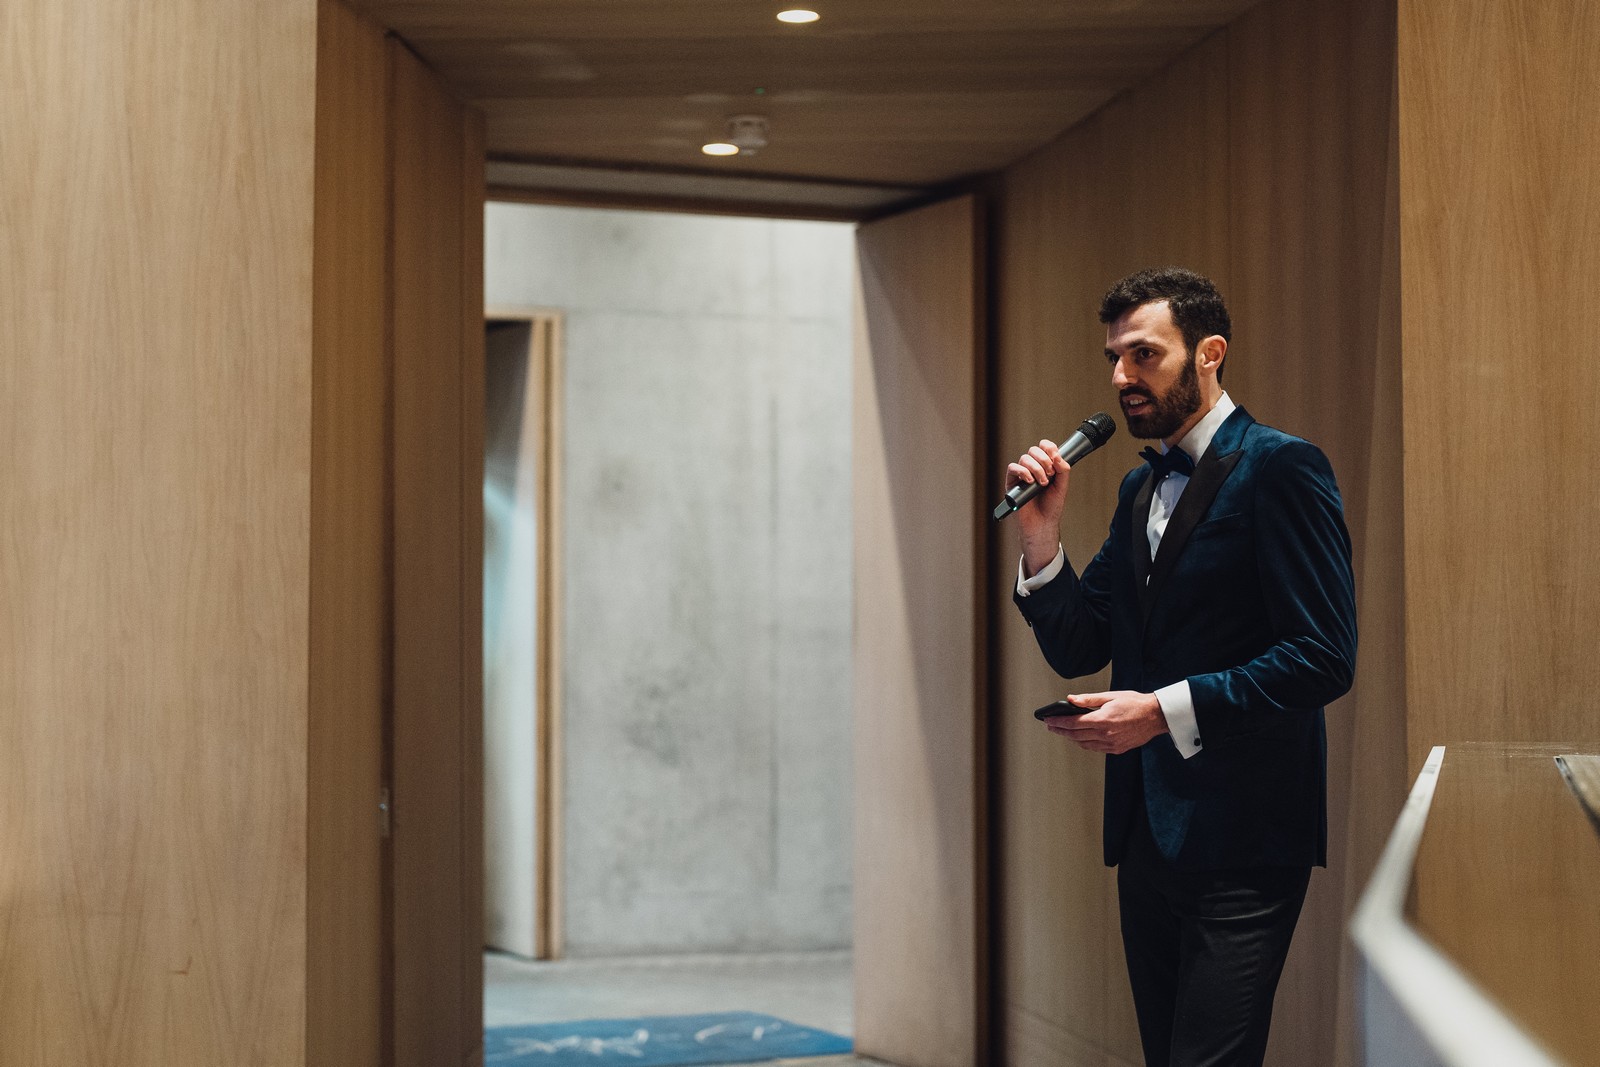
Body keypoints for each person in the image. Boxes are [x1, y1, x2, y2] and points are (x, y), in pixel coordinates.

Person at [1007, 267, 1356, 1067]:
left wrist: (1161, 711)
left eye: (1144, 354)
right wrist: (1041, 537)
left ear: (1209, 353)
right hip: (1146, 838)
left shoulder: (1283, 467)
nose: (1122, 377)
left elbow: (1323, 655)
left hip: (1246, 837)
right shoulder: (1139, 488)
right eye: (1114, 358)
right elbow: (1080, 642)